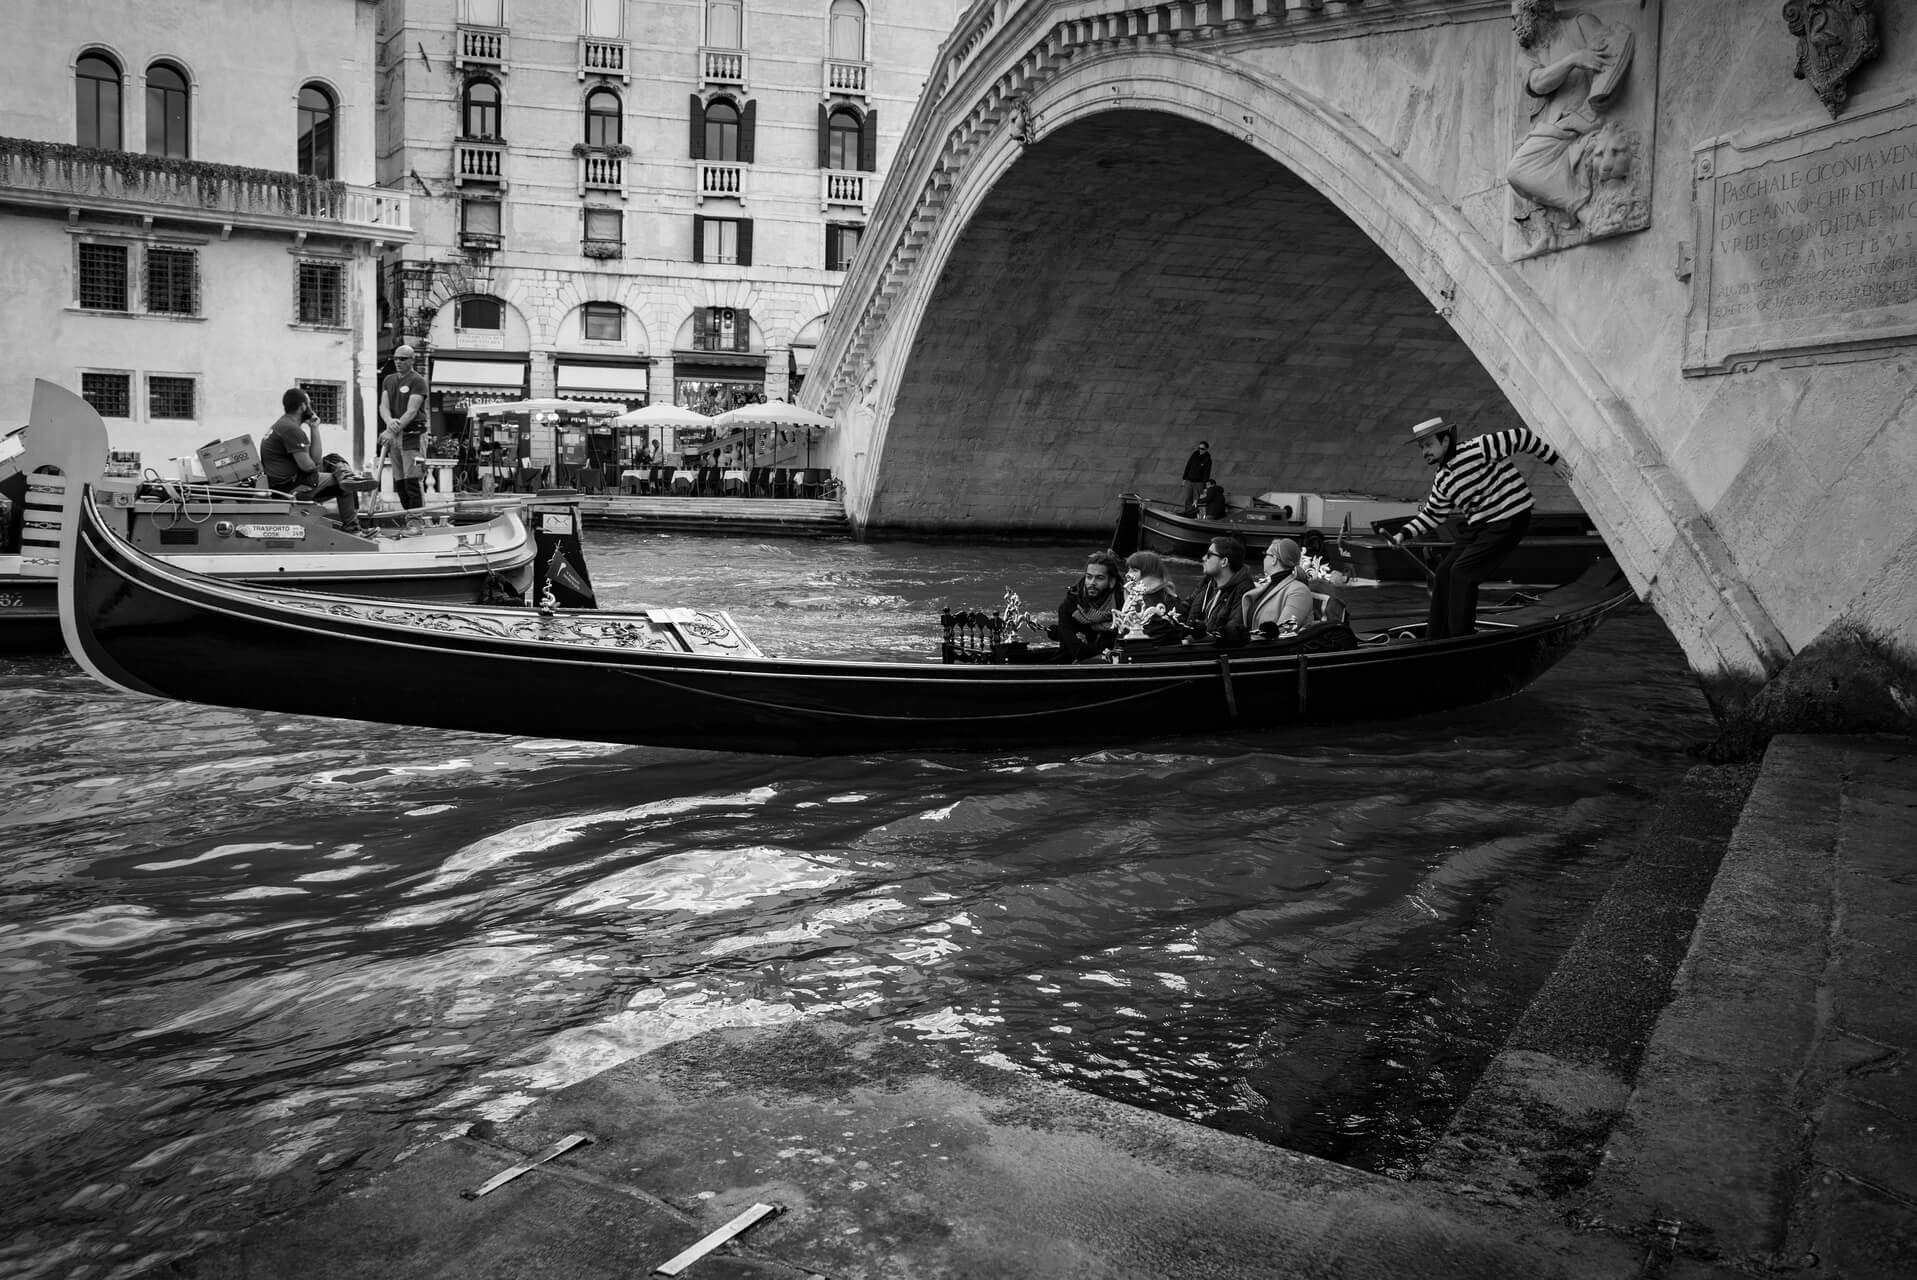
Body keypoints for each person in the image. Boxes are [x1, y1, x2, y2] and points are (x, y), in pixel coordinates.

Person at [1393, 415, 1569, 639]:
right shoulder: (1443, 479)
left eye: (1428, 445)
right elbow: (1432, 514)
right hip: (1481, 524)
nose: (1424, 451)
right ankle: (1436, 635)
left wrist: (1552, 460)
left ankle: (1461, 637)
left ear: (1445, 441)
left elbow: (1521, 436)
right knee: (1445, 572)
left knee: (1462, 572)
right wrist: (1403, 533)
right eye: (1422, 447)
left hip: (1509, 517)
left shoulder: (1479, 447)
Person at [261, 387, 362, 532]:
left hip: (285, 482)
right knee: (345, 484)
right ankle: (353, 528)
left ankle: (344, 473)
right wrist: (330, 470)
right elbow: (308, 466)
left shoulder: (283, 425)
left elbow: (314, 459)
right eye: (309, 404)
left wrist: (314, 427)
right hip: (291, 487)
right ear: (302, 406)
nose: (310, 407)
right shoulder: (291, 430)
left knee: (332, 459)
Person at [1175, 535, 1255, 646]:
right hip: (1190, 643)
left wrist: (1190, 640)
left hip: (1209, 651)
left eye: (1209, 555)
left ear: (1224, 562)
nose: (1203, 558)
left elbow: (1231, 630)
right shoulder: (1207, 581)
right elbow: (1187, 606)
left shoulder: (1244, 590)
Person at [377, 344, 430, 510]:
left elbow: (412, 411)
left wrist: (390, 430)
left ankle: (416, 522)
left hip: (413, 435)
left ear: (412, 360)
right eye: (396, 358)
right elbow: (383, 406)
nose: (398, 362)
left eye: (403, 359)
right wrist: (389, 423)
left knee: (413, 480)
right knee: (399, 480)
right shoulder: (389, 379)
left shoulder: (418, 381)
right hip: (395, 435)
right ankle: (409, 518)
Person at [1054, 549, 1124, 662]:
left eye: (1099, 578)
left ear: (1112, 582)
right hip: (1068, 663)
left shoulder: (1123, 604)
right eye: (1089, 577)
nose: (1092, 583)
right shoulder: (1070, 606)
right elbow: (1079, 651)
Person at [1240, 538, 1315, 638]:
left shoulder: (1299, 591)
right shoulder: (1271, 585)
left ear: (1274, 559)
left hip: (1271, 651)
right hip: (1254, 648)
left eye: (1266, 555)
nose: (1264, 558)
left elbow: (1282, 630)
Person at [1121, 550, 1182, 645]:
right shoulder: (1169, 595)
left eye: (1134, 570)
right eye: (1129, 570)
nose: (1127, 574)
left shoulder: (1151, 600)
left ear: (1150, 574)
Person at [1179, 440, 1212, 515]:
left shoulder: (1208, 459)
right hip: (1189, 480)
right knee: (1188, 498)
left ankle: (1195, 514)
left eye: (1202, 449)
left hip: (1199, 482)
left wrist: (1204, 485)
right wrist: (1184, 478)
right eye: (1199, 448)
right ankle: (1187, 513)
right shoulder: (1195, 454)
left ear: (1206, 449)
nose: (1200, 450)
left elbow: (1207, 473)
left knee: (1197, 499)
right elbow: (1188, 465)